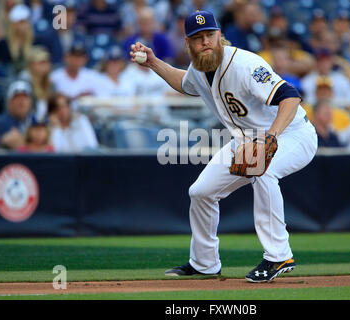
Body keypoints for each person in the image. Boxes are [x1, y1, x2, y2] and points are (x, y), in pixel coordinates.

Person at [130, 10, 317, 283]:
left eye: (209, 35)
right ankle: (204, 263)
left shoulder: (245, 64)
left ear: (220, 36)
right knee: (201, 192)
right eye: (198, 38)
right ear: (188, 43)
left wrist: (271, 137)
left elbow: (290, 97)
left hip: (292, 133)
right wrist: (154, 63)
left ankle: (279, 256)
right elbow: (183, 83)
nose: (205, 42)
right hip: (246, 139)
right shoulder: (198, 68)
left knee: (261, 170)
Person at [0, 80, 34, 149]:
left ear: (30, 102)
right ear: (9, 102)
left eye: (25, 97)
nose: (21, 101)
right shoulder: (1, 123)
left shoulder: (36, 121)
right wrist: (2, 142)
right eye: (17, 97)